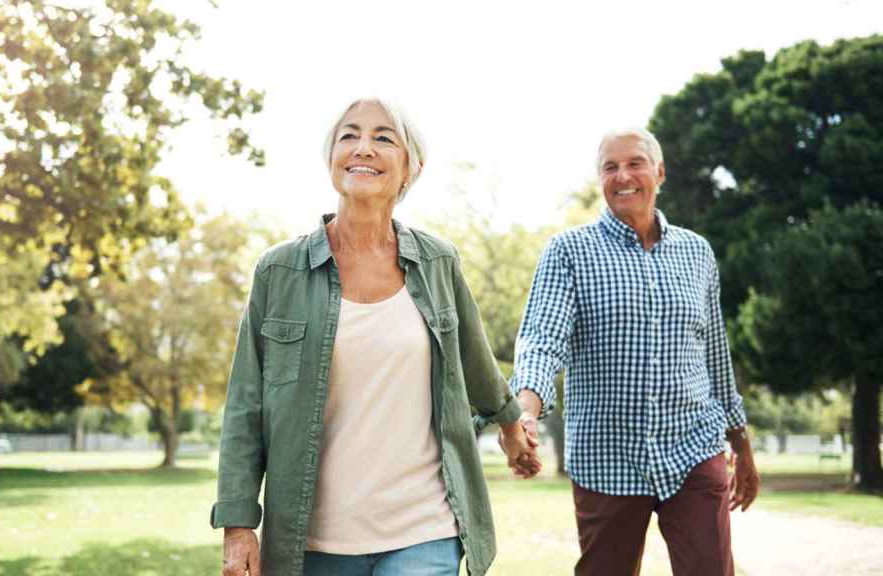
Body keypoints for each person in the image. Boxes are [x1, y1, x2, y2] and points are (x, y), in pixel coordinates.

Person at [213, 97, 541, 576]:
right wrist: (238, 524)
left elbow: (475, 363)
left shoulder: (438, 263)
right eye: (349, 136)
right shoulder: (278, 271)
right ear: (332, 160)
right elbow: (245, 406)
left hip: (424, 528)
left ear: (411, 167)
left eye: (383, 138)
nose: (363, 147)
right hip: (312, 538)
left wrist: (513, 428)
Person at [505, 128, 760, 576]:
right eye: (610, 167)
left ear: (659, 172)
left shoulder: (696, 253)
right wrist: (525, 410)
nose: (623, 175)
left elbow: (716, 356)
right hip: (607, 455)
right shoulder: (569, 252)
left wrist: (741, 443)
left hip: (695, 447)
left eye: (635, 163)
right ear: (600, 179)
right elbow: (542, 342)